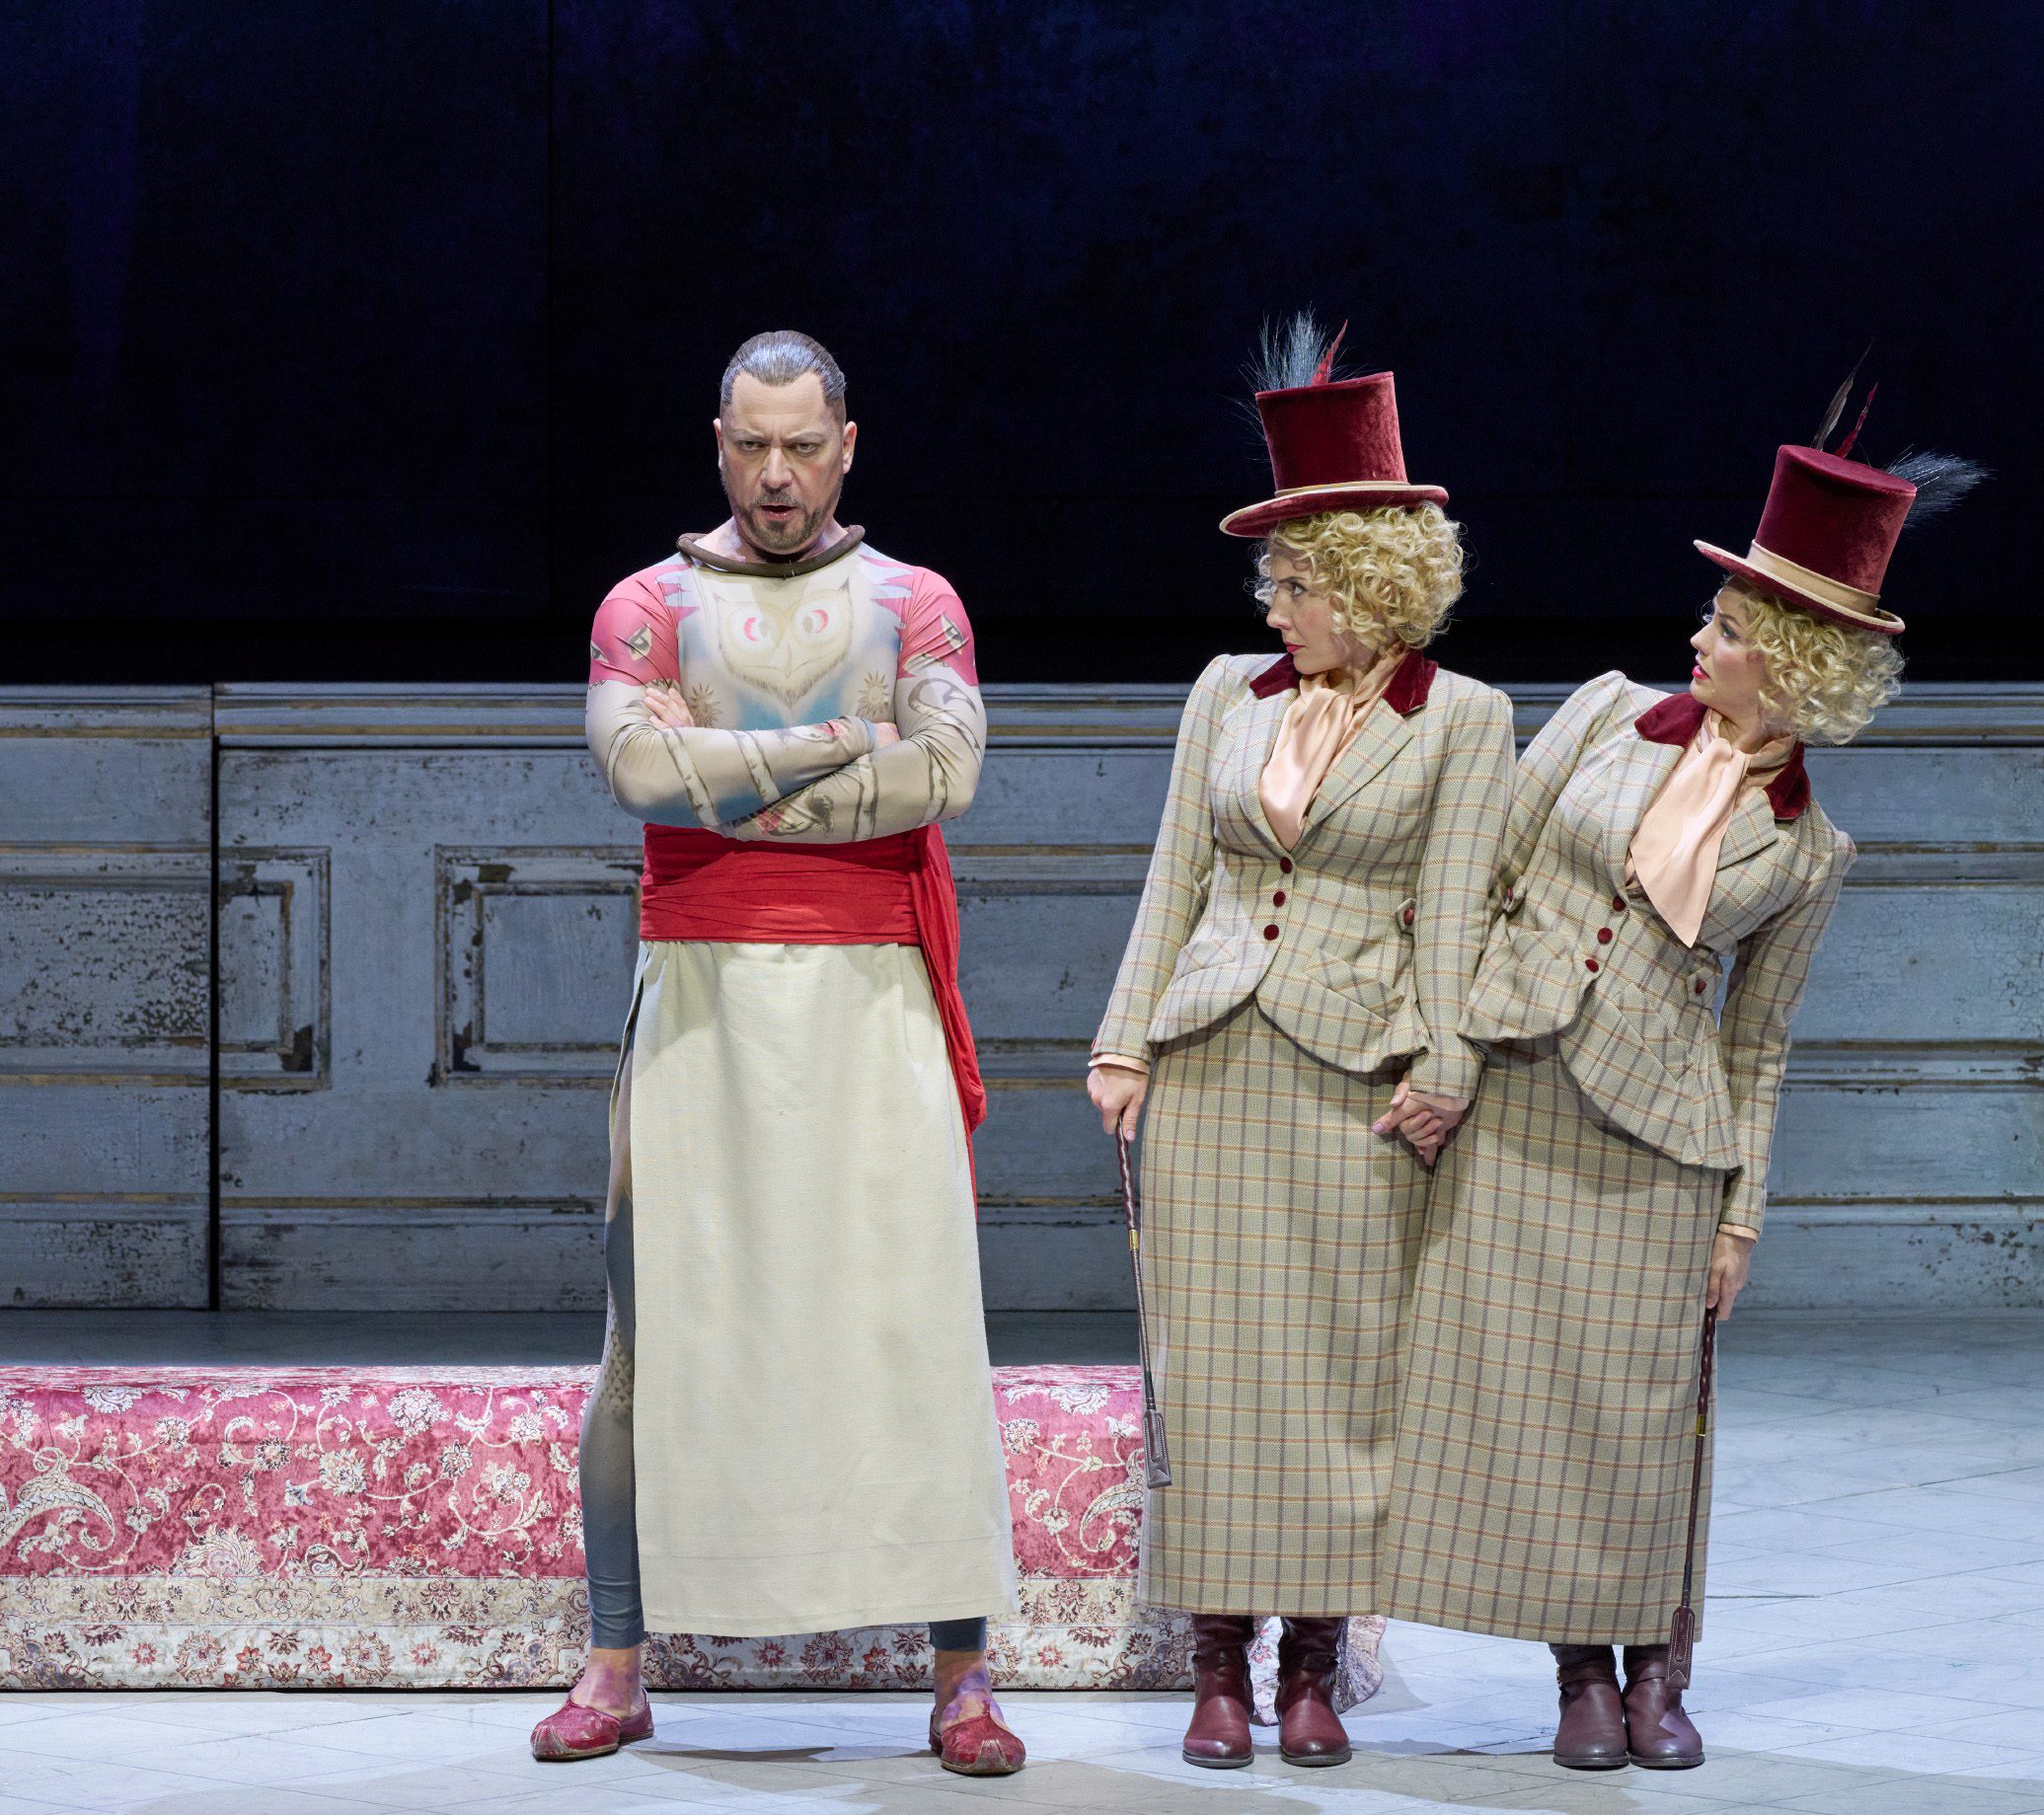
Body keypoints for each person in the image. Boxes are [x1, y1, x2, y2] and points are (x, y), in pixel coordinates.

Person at [1383, 428, 1981, 1771]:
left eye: (1724, 624)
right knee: (1533, 1406)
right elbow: (1480, 882)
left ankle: (1658, 1666)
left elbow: (1757, 1050)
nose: (1697, 638)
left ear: (1794, 659)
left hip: (1661, 1145)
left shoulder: (1811, 850)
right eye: (1709, 615)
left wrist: (1738, 1219)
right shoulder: (1602, 713)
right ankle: (1577, 1673)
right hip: (1520, 1098)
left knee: (1647, 1418)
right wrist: (1449, 1059)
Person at [531, 330, 1023, 1777]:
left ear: (848, 445)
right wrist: (833, 746)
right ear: (717, 439)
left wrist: (729, 770)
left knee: (913, 1325)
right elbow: (632, 768)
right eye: (751, 443)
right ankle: (616, 1663)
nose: (775, 473)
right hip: (699, 995)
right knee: (654, 1337)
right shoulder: (648, 603)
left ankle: (960, 1673)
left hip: (872, 1000)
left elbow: (942, 775)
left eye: (802, 444)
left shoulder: (913, 602)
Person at [1087, 317, 1514, 1771]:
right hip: (1210, 1055)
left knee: (1340, 1379)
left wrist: (1445, 1066)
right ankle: (1217, 1661)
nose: (1272, 604)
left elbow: (1455, 909)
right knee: (1203, 1374)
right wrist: (1123, 1043)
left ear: (1367, 584)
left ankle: (1313, 1668)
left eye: (1295, 581)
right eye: (1269, 580)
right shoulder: (1224, 691)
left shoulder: (1463, 720)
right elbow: (1173, 877)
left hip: (1354, 1076)